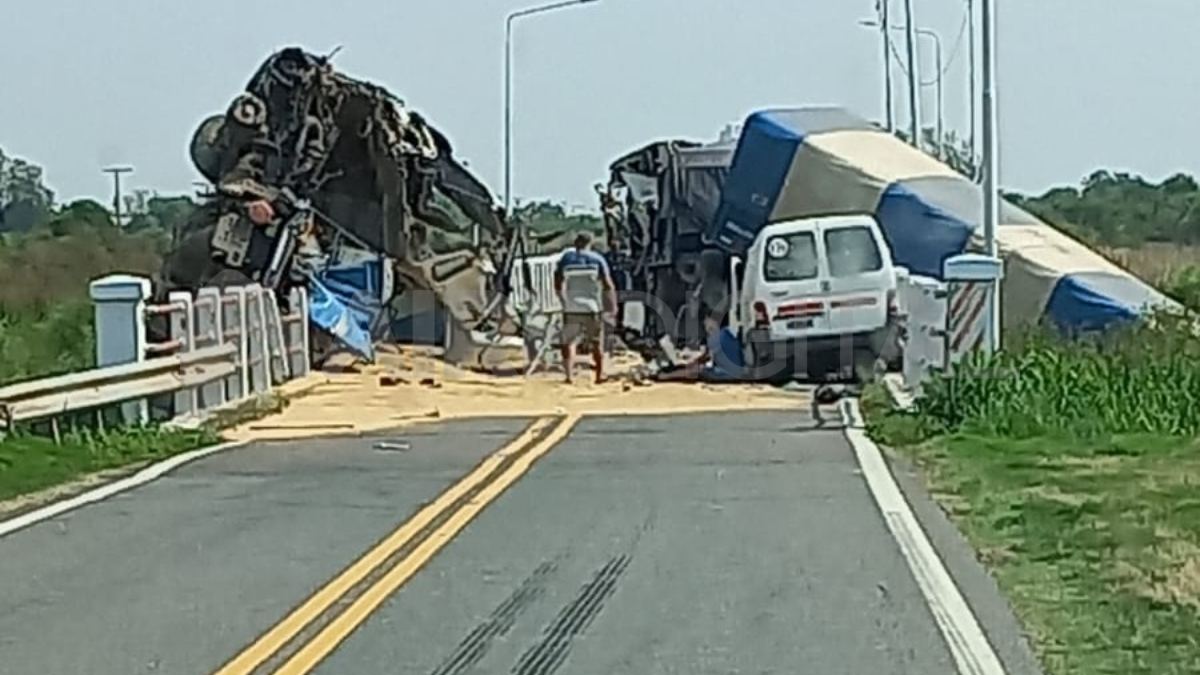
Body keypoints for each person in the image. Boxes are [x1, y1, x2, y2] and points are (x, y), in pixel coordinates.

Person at [554, 233, 617, 384]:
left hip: (572, 307)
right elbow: (608, 284)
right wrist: (612, 306)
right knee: (596, 342)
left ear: (575, 243)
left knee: (569, 342)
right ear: (590, 243)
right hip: (592, 307)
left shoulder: (566, 259)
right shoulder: (597, 259)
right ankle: (599, 375)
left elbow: (557, 282)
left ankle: (569, 375)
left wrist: (563, 300)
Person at [657, 310, 746, 383]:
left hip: (726, 374)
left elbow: (703, 358)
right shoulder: (726, 334)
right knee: (696, 368)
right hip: (736, 372)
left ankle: (666, 376)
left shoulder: (716, 337)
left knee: (696, 370)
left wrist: (685, 362)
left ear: (714, 322)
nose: (704, 323)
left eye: (706, 320)